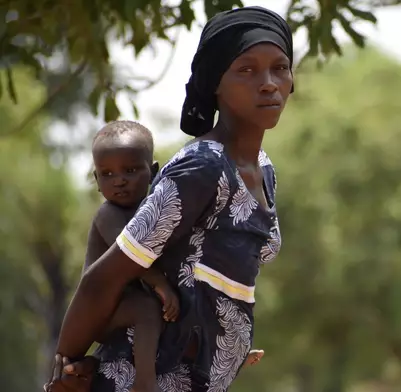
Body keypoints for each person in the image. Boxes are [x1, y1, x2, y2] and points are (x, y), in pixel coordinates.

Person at [45, 5, 291, 392]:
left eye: (280, 67)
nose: (268, 83)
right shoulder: (202, 166)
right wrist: (67, 367)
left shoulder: (264, 168)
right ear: (215, 83)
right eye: (246, 69)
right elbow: (105, 278)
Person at [86, 120, 178, 392]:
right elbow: (132, 259)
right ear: (96, 180)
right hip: (99, 311)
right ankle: (144, 383)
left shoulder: (153, 214)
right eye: (108, 174)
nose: (119, 180)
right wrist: (160, 283)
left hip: (126, 306)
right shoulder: (108, 214)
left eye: (130, 170)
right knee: (147, 308)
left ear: (153, 172)